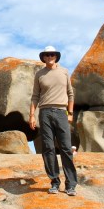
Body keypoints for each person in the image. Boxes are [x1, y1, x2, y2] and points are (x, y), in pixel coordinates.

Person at [29, 46, 78, 196]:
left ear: (56, 57)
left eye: (52, 54)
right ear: (43, 58)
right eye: (47, 55)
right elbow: (35, 96)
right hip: (45, 113)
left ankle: (71, 185)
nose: (49, 57)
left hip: (61, 112)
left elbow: (70, 93)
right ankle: (54, 182)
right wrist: (32, 115)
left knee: (66, 147)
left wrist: (70, 113)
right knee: (48, 148)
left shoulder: (64, 72)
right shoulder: (40, 74)